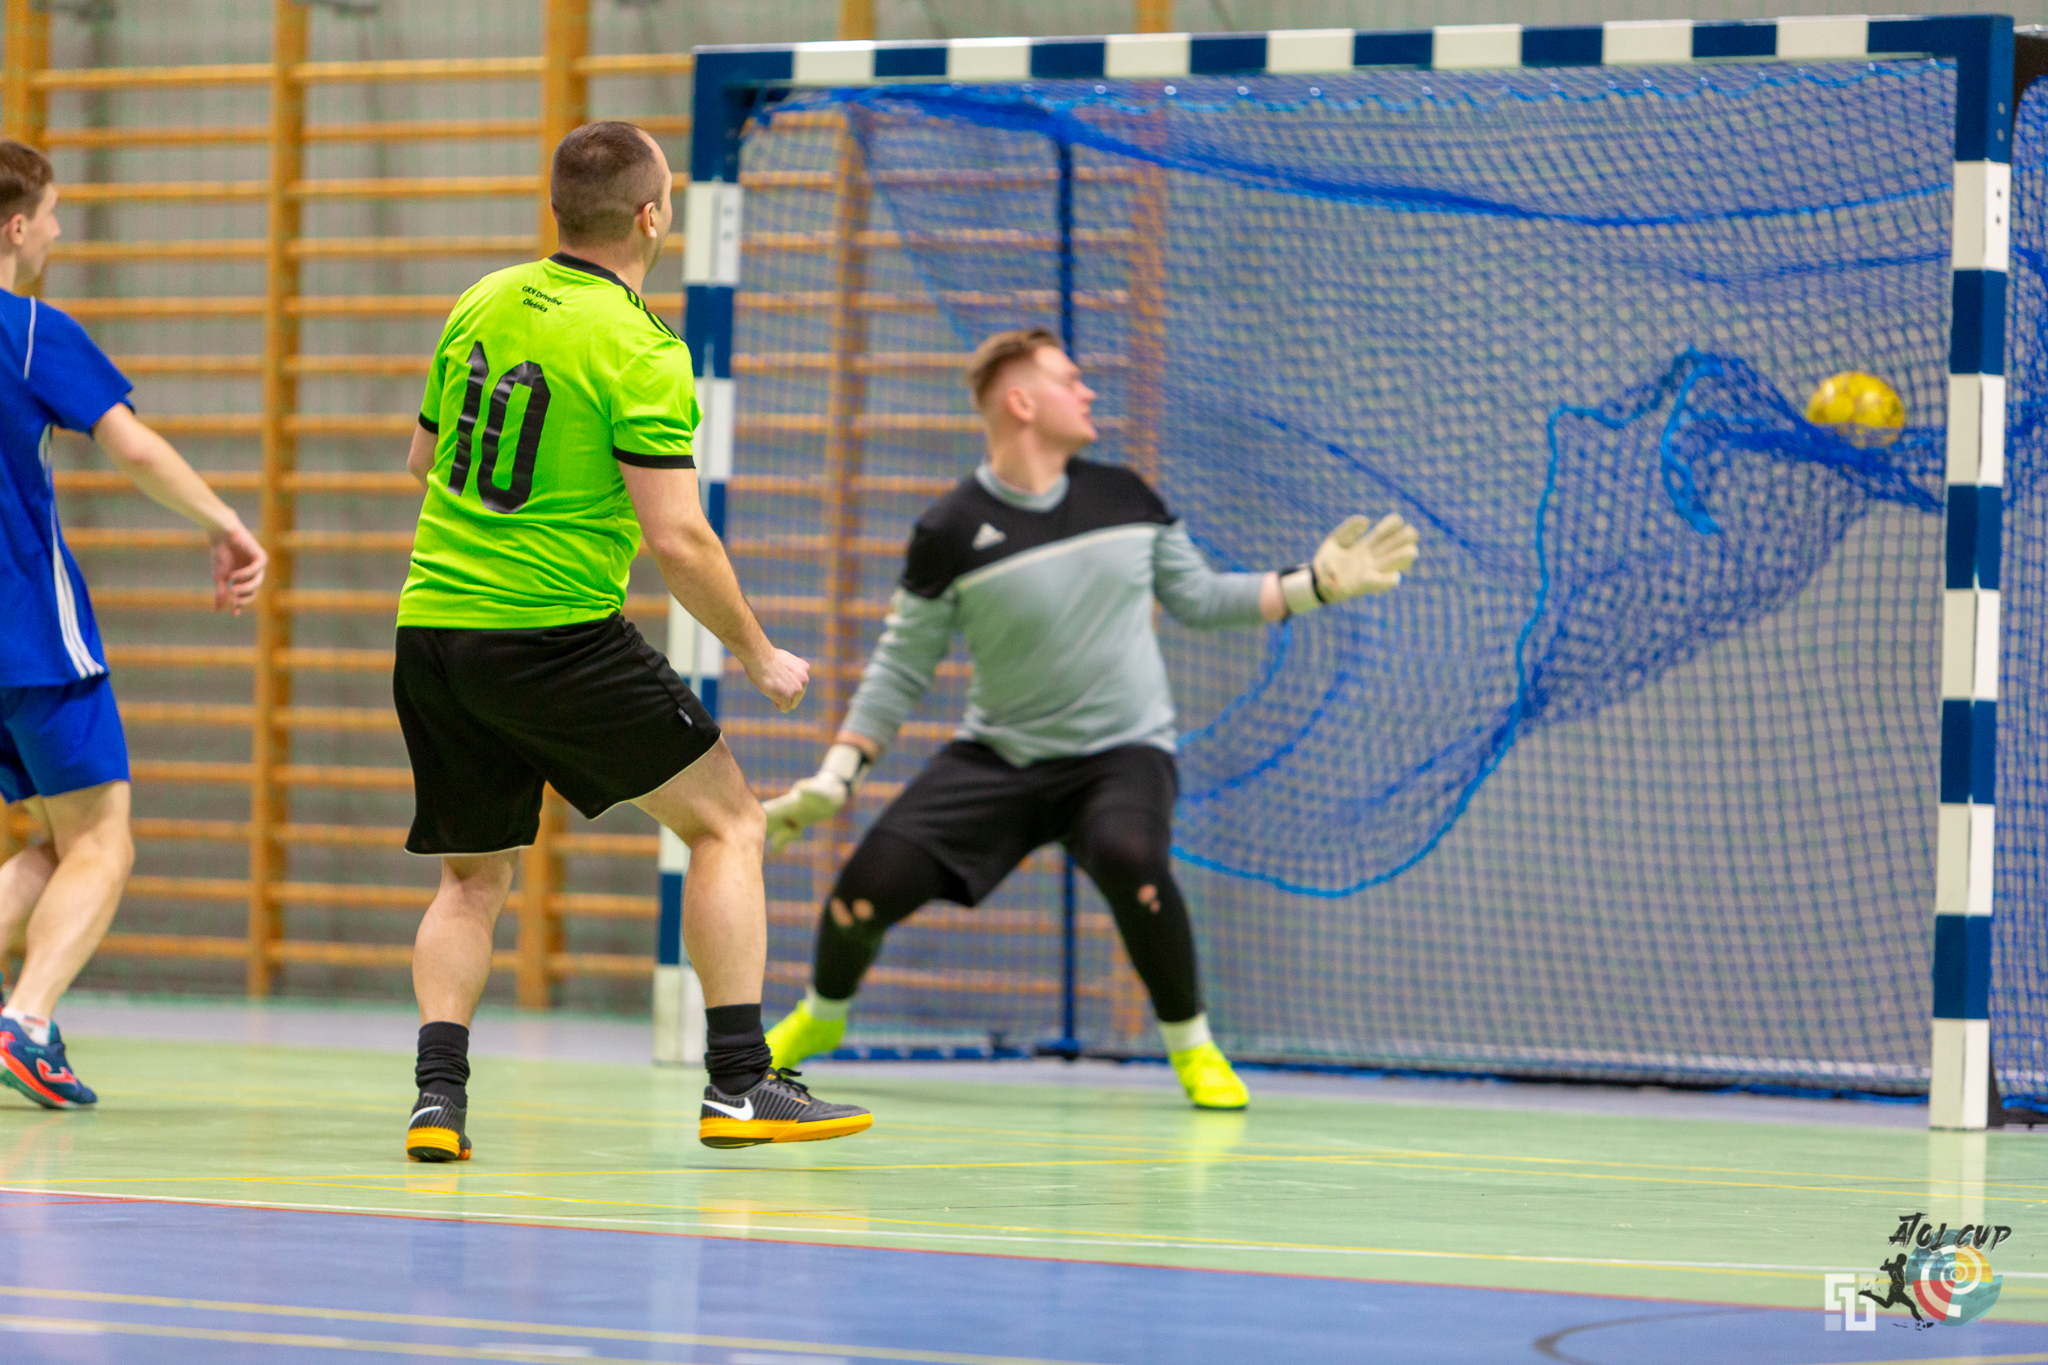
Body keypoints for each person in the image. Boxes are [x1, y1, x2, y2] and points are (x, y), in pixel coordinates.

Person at [762, 328, 1419, 1110]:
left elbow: (1203, 598)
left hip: (1122, 753)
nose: (1088, 392)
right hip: (999, 756)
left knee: (1130, 855)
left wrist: (1318, 583)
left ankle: (1194, 1047)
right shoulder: (948, 531)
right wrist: (836, 778)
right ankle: (821, 1017)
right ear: (1021, 401)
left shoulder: (1127, 498)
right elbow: (900, 668)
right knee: (860, 896)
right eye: (1069, 379)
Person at [394, 121, 869, 1161]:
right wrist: (757, 652)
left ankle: (437, 1102)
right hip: (551, 634)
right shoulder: (641, 348)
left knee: (470, 880)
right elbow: (678, 537)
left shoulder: (482, 300)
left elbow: (424, 461)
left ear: (559, 206)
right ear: (652, 216)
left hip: (430, 633)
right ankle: (739, 1084)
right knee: (730, 824)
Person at [0, 139, 269, 1109]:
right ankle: (27, 1021)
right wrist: (226, 523)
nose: (60, 232)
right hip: (28, 636)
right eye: (53, 215)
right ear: (16, 226)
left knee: (57, 838)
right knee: (104, 840)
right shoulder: (30, 331)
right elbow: (136, 449)